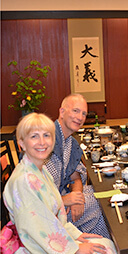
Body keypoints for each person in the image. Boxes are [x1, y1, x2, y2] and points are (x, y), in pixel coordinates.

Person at [2, 113, 116, 253]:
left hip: (50, 242)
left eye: (46, 135)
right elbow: (37, 229)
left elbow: (54, 215)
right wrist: (75, 249)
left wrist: (76, 235)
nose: (42, 142)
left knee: (105, 244)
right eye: (34, 136)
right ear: (22, 143)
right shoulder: (24, 181)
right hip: (34, 248)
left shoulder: (41, 171)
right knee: (106, 249)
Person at [45, 94, 111, 239]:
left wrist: (77, 198)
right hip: (47, 213)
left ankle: (100, 245)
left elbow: (75, 176)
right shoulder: (46, 142)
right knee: (101, 205)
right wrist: (66, 200)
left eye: (84, 114)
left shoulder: (70, 141)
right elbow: (35, 198)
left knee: (100, 193)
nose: (80, 117)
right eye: (75, 111)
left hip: (63, 198)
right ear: (62, 112)